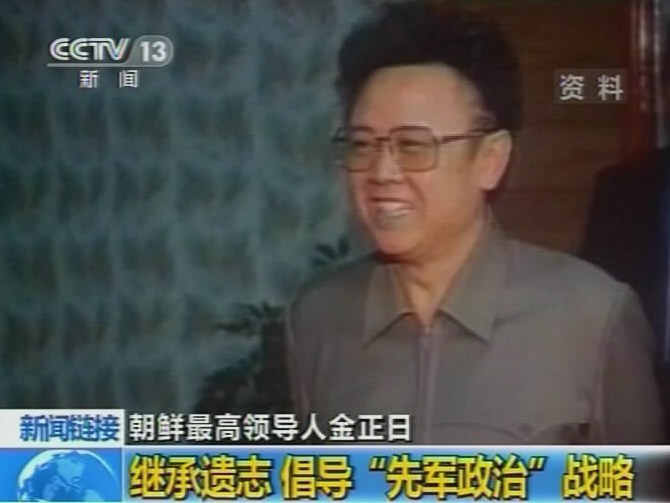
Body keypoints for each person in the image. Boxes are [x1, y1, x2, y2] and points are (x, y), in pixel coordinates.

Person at [286, 0, 665, 445]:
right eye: (363, 145)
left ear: (490, 160)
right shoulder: (318, 318)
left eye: (413, 145)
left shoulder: (592, 316)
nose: (382, 173)